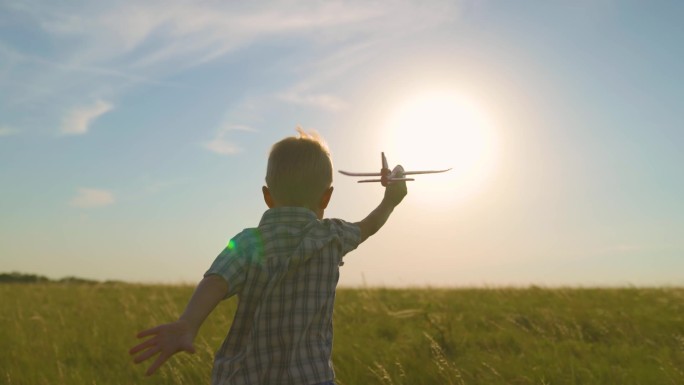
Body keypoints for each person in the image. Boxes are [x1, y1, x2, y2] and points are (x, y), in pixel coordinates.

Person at [129, 129, 407, 385]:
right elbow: (370, 225)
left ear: (267, 196)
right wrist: (390, 200)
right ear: (326, 197)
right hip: (311, 377)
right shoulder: (333, 237)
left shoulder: (248, 243)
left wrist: (188, 323)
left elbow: (216, 280)